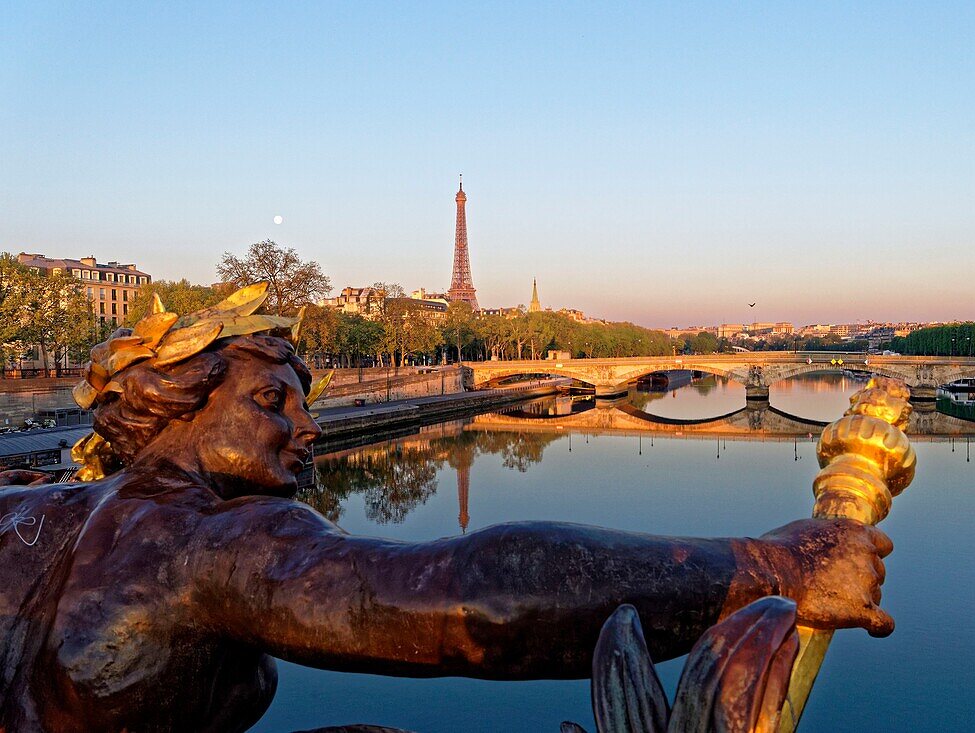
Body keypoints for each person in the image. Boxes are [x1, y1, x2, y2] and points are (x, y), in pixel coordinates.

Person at [0, 287, 892, 732]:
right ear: (183, 401)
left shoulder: (31, 514)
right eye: (273, 401)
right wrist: (771, 566)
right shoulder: (207, 538)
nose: (307, 427)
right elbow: (472, 592)